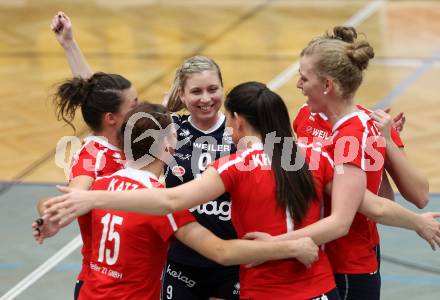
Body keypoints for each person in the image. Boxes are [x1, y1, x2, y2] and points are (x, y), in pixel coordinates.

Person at [45, 82, 341, 300]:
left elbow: (51, 207)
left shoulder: (98, 185)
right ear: (169, 147)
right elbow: (222, 252)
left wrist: (49, 216)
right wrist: (289, 246)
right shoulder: (163, 209)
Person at [49, 11, 240, 299]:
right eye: (135, 105)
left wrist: (70, 45)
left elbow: (101, 97)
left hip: (107, 287)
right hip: (170, 267)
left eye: (213, 89)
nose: (205, 98)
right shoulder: (154, 145)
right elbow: (103, 101)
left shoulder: (233, 135)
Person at [245, 26, 433, 300]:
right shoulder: (306, 116)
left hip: (348, 259)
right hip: (314, 251)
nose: (299, 85)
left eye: (304, 77)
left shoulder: (363, 129)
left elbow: (385, 202)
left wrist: (384, 145)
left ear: (328, 82)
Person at [32, 71, 138, 300]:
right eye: (134, 106)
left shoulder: (131, 144)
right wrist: (53, 216)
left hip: (139, 277)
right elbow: (73, 196)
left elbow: (96, 90)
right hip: (104, 285)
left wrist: (69, 45)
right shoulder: (92, 155)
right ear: (111, 118)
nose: (141, 112)